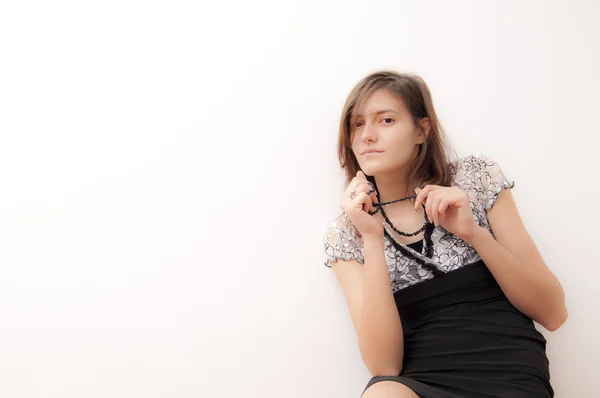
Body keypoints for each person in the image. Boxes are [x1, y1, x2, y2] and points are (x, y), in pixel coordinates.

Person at [322, 70, 567, 398]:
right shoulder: (348, 232)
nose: (367, 135)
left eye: (386, 120)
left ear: (422, 129)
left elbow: (553, 313)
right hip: (422, 381)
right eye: (357, 124)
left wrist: (475, 235)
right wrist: (373, 237)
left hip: (508, 372)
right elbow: (384, 367)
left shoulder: (474, 179)